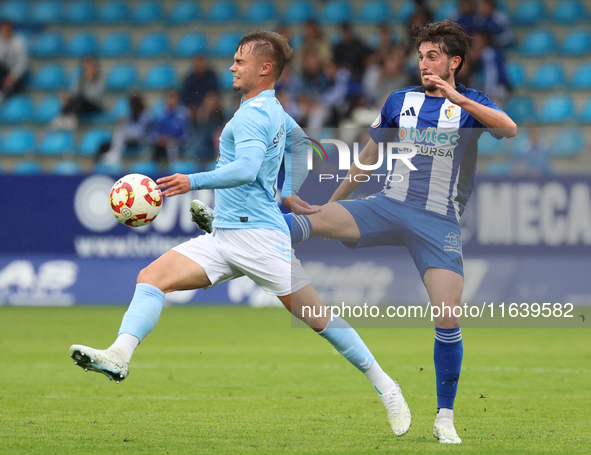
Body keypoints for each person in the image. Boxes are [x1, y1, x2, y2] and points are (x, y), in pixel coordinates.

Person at [70, 31, 411, 438]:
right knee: (151, 278)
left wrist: (191, 180)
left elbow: (247, 169)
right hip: (227, 236)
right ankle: (119, 355)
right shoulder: (271, 109)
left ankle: (387, 387)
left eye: (239, 60)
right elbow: (301, 143)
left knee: (318, 318)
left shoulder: (252, 115)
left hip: (260, 240)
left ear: (265, 68)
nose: (231, 66)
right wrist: (288, 192)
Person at [286, 20, 517, 444]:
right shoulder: (399, 101)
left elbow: (508, 129)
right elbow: (367, 160)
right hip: (389, 206)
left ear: (454, 62)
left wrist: (458, 98)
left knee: (447, 316)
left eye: (433, 57)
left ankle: (444, 417)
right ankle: (233, 233)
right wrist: (334, 202)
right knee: (314, 218)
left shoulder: (469, 104)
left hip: (438, 222)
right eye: (420, 56)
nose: (424, 64)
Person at [95, 94, 152, 164]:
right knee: (120, 129)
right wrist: (125, 121)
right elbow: (131, 125)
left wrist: (127, 125)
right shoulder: (133, 113)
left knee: (121, 132)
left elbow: (141, 130)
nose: (131, 106)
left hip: (142, 138)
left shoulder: (145, 114)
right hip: (133, 135)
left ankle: (115, 153)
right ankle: (114, 152)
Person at [52, 57, 104, 130]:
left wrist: (88, 82)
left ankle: (72, 117)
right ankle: (63, 117)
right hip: (82, 104)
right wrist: (67, 97)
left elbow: (94, 96)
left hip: (95, 105)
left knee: (79, 98)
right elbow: (73, 92)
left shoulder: (99, 80)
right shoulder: (80, 80)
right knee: (71, 100)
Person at [150, 90, 191, 165]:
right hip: (162, 142)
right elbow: (155, 130)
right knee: (153, 144)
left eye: (173, 97)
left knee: (171, 145)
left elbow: (186, 133)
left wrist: (172, 138)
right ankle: (154, 167)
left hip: (177, 142)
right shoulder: (160, 113)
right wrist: (159, 138)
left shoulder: (183, 113)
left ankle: (173, 167)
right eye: (169, 97)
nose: (171, 100)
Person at [0, 20, 27, 99]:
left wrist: (13, 76)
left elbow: (22, 63)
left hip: (15, 74)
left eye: (8, 29)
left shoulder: (19, 42)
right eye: (3, 29)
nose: (6, 32)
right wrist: (5, 43)